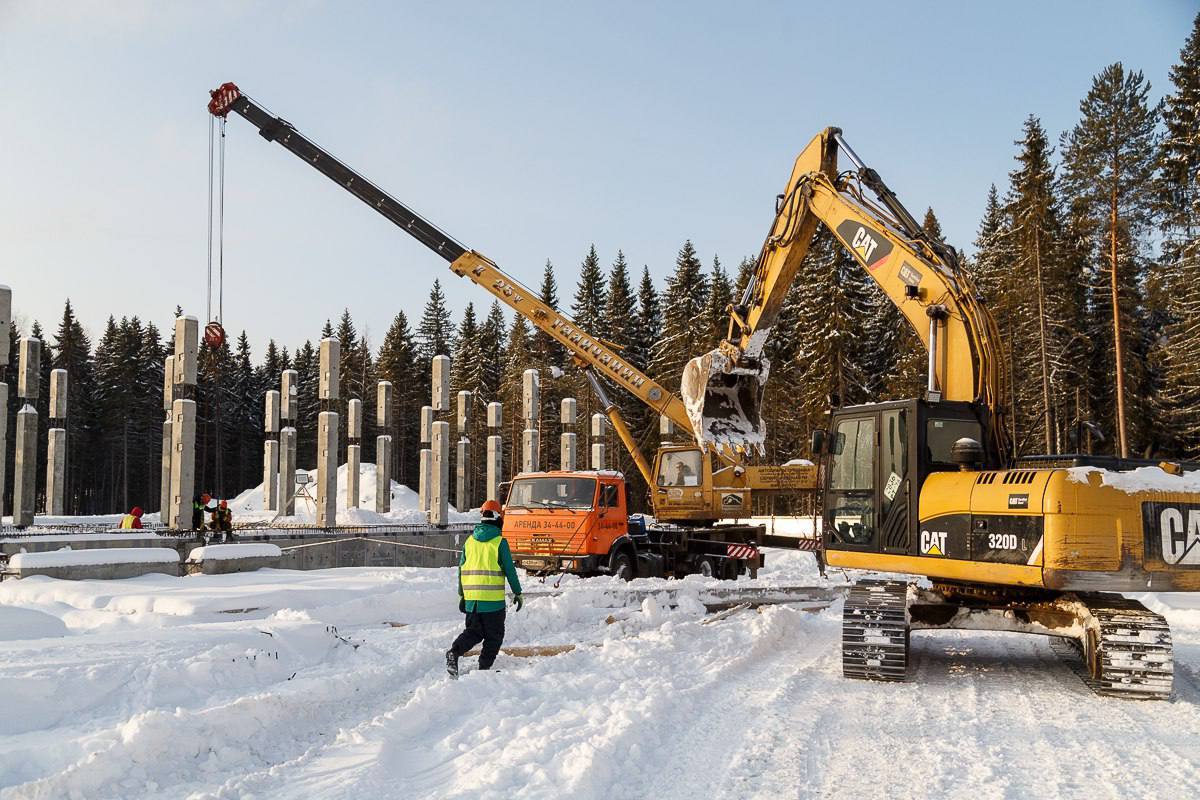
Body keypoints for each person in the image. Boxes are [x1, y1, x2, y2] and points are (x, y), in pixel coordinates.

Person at [445, 499, 523, 678]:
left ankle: (454, 652)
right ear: (498, 518)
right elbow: (509, 571)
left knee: (473, 632)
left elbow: (461, 569)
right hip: (493, 602)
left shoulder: (470, 541)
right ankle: (483, 669)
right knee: (494, 636)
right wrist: (517, 593)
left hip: (473, 600)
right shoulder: (499, 542)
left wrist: (462, 594)